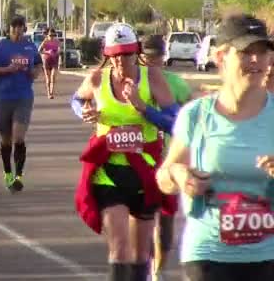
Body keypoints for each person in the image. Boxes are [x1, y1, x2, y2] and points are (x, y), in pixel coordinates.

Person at [156, 14, 274, 281]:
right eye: (246, 52)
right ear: (221, 57)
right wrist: (179, 174)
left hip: (268, 255)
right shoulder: (196, 115)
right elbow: (164, 177)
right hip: (208, 253)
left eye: (262, 52)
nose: (256, 60)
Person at [72, 23, 177, 281]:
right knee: (119, 249)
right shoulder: (97, 79)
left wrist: (144, 109)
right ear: (108, 54)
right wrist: (84, 112)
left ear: (136, 52)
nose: (121, 60)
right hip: (109, 174)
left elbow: (176, 122)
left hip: (145, 174)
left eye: (127, 54)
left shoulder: (151, 77)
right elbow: (76, 99)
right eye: (115, 55)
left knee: (141, 254)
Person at [138, 34, 193, 281]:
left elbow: (187, 123)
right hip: (141, 158)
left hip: (171, 159)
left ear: (163, 57)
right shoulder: (133, 83)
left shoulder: (177, 84)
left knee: (166, 223)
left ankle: (158, 270)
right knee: (142, 218)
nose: (151, 62)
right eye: (146, 57)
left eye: (155, 57)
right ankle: (145, 267)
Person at [0, 15, 42, 192]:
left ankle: (18, 176)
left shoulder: (29, 45)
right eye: (14, 27)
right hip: (3, 97)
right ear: (9, 29)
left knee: (18, 137)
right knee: (6, 139)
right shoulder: (0, 46)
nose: (17, 30)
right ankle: (7, 172)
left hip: (23, 96)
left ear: (24, 29)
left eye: (20, 27)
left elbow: (39, 64)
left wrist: (34, 72)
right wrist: (7, 69)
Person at [37, 28, 61, 99]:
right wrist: (47, 52)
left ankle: (52, 93)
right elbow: (39, 50)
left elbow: (59, 50)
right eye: (50, 35)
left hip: (54, 61)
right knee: (48, 78)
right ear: (48, 35)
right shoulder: (45, 41)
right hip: (46, 61)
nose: (52, 37)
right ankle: (48, 93)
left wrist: (56, 52)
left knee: (53, 77)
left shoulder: (57, 41)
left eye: (53, 35)